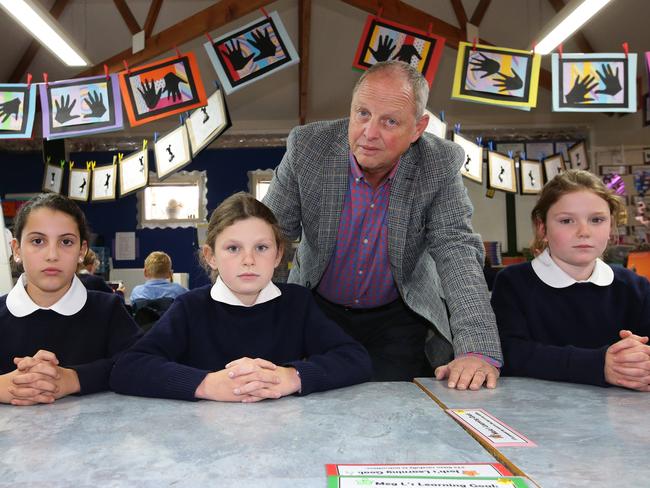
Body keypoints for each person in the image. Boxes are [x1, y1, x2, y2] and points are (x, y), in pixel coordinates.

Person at [263, 60, 502, 388]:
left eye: (390, 121)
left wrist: (477, 350)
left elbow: (457, 251)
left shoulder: (438, 163)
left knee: (393, 411)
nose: (369, 133)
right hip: (317, 307)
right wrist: (256, 321)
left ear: (418, 128)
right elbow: (267, 237)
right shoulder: (308, 147)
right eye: (362, 114)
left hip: (399, 316)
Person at [110, 192, 371, 402]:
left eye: (261, 247)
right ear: (211, 256)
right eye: (233, 248)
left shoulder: (297, 303)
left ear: (278, 254)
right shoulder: (191, 307)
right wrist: (206, 384)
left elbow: (355, 358)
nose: (249, 260)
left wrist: (293, 377)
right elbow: (128, 367)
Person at [491, 170, 650, 390]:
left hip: (621, 415)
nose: (584, 231)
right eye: (567, 221)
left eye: (597, 220)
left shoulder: (635, 286)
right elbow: (511, 352)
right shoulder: (513, 282)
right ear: (542, 228)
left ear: (611, 227)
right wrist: (598, 364)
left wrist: (639, 359)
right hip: (537, 411)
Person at [0, 193, 141, 406]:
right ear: (17, 249)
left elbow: (140, 362)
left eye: (66, 242)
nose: (52, 255)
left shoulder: (108, 309)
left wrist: (74, 379)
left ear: (82, 251)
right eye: (38, 241)